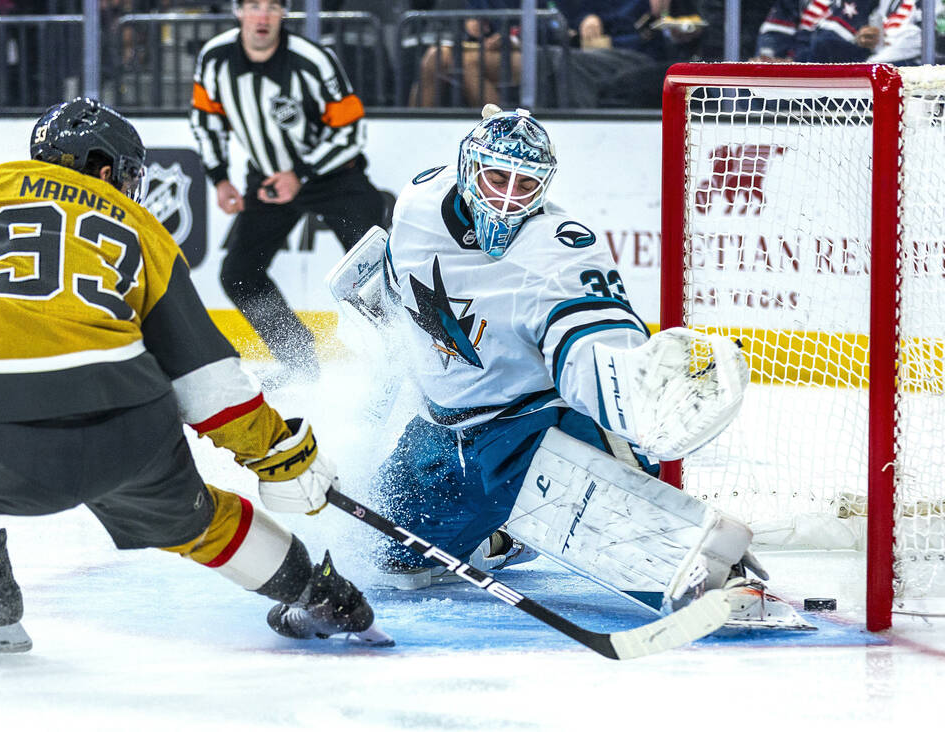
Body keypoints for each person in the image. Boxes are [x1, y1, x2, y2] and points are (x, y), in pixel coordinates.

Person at [0, 97, 391, 653]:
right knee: (200, 520)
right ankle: (325, 597)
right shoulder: (145, 228)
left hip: (8, 437)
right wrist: (278, 455)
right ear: (104, 169)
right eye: (127, 174)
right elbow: (207, 379)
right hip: (135, 431)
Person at [331, 106, 806, 628]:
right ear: (467, 168)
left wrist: (634, 393)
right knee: (390, 561)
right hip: (440, 434)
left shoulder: (560, 250)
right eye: (496, 177)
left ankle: (720, 572)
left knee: (625, 510)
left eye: (526, 183)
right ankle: (499, 536)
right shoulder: (418, 199)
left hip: (527, 430)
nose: (509, 198)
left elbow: (592, 338)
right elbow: (395, 275)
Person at [189, 0, 387, 386]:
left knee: (373, 273)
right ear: (238, 11)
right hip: (268, 178)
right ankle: (299, 361)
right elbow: (206, 120)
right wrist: (219, 177)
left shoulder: (311, 60)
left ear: (284, 13)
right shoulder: (215, 59)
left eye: (272, 7)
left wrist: (301, 173)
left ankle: (398, 360)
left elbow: (350, 131)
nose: (262, 17)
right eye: (254, 6)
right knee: (239, 275)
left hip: (335, 179)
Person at [807, 0, 926, 65]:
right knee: (820, 47)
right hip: (879, 63)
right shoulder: (878, 4)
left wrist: (871, 63)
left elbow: (921, 40)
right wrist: (862, 41)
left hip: (911, 67)